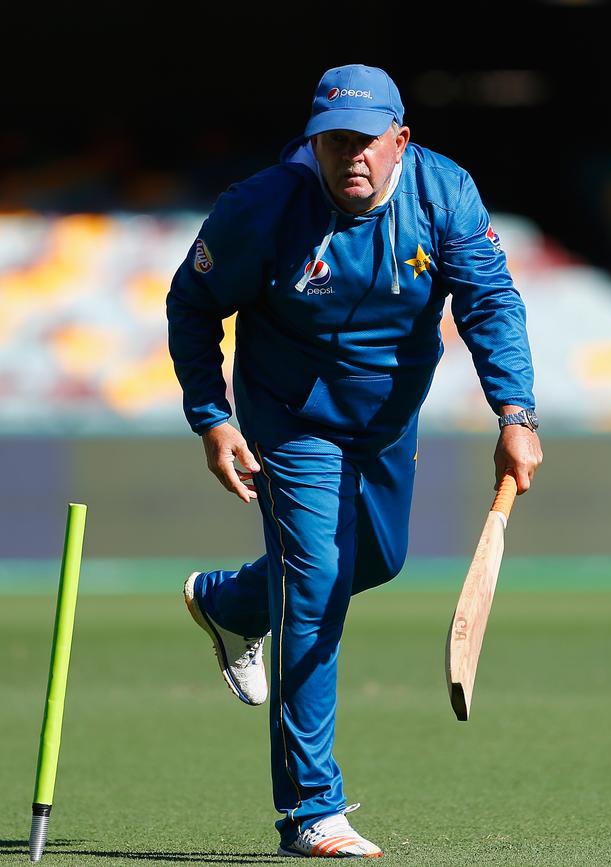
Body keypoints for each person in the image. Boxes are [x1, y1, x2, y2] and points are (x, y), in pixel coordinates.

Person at [166, 63, 543, 858]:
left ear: (400, 139)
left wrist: (515, 411)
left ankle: (231, 605)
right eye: (334, 142)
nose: (351, 158)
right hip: (291, 416)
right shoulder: (261, 207)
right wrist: (211, 415)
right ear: (315, 141)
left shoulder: (445, 196)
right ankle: (311, 810)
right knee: (316, 585)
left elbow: (491, 300)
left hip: (387, 420)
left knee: (378, 558)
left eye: (367, 141)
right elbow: (192, 305)